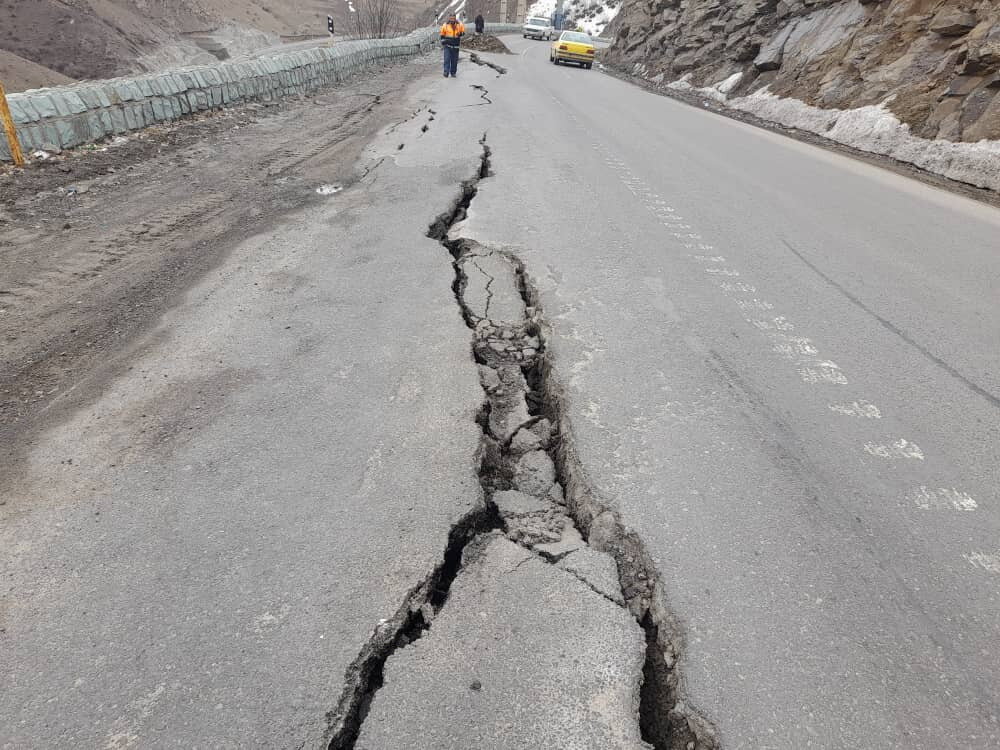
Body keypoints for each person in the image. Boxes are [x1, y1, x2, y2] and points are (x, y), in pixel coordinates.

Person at [440, 13, 465, 78]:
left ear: (455, 18)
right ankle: (446, 72)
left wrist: (461, 34)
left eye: (453, 18)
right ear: (449, 18)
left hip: (456, 46)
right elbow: (442, 34)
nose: (452, 20)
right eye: (451, 18)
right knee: (447, 59)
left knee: (454, 60)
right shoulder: (445, 25)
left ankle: (453, 72)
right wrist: (443, 41)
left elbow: (463, 32)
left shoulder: (459, 25)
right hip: (447, 45)